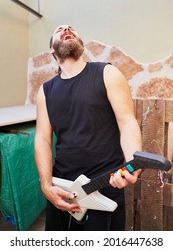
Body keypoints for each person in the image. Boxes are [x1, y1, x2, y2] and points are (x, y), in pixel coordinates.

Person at [34, 24, 142, 231]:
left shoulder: (107, 73)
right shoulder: (46, 91)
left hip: (105, 184)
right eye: (60, 29)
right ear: (51, 50)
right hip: (63, 187)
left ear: (81, 43)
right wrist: (46, 185)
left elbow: (126, 122)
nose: (67, 28)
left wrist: (132, 162)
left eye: (71, 28)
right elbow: (43, 140)